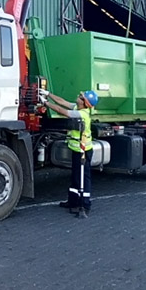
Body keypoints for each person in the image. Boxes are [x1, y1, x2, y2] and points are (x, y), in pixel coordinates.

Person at [39, 89, 99, 218]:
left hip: (83, 150)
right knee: (76, 177)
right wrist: (47, 94)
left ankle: (85, 204)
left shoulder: (81, 114)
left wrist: (45, 103)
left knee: (83, 178)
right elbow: (62, 102)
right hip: (77, 150)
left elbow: (62, 111)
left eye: (80, 97)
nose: (77, 97)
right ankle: (73, 202)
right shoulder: (78, 107)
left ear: (85, 102)